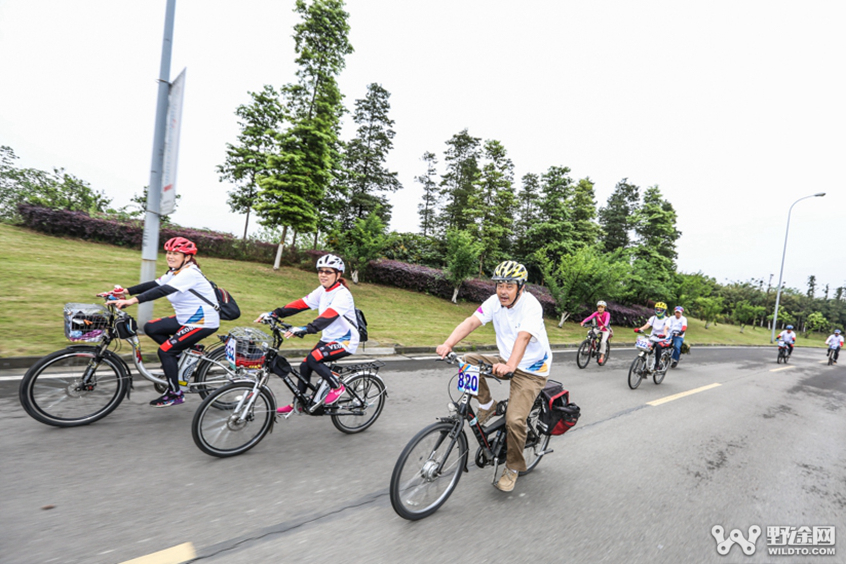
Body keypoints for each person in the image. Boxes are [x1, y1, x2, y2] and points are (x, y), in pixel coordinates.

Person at [436, 260, 552, 493]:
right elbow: (471, 322)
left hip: (531, 370)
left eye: (509, 286)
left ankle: (513, 467)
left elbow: (524, 338)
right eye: (499, 285)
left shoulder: (531, 306)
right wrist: (448, 343)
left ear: (521, 287)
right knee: (468, 360)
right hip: (507, 360)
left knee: (514, 420)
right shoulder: (494, 302)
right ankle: (488, 405)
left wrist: (510, 365)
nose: (502, 290)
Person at [108, 237, 220, 407]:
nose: (170, 256)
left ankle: (175, 393)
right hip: (186, 319)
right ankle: (185, 352)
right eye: (168, 252)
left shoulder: (189, 273)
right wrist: (125, 291)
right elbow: (155, 284)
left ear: (187, 257)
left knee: (165, 351)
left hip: (202, 322)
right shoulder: (175, 272)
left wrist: (132, 301)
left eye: (175, 253)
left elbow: (162, 290)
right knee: (151, 328)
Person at [256, 254, 359, 414]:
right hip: (328, 339)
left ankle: (337, 386)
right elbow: (300, 304)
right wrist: (275, 313)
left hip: (346, 340)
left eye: (328, 272)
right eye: (320, 271)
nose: (323, 275)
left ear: (338, 275)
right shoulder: (322, 291)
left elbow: (327, 317)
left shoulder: (342, 295)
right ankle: (299, 402)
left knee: (313, 359)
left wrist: (305, 329)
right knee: (305, 365)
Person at [634, 302, 672, 371]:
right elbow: (647, 325)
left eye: (661, 310)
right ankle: (645, 365)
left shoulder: (667, 320)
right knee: (647, 348)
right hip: (653, 337)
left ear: (664, 311)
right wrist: (640, 329)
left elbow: (665, 328)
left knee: (658, 347)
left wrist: (664, 334)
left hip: (663, 339)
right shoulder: (653, 318)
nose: (658, 311)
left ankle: (657, 365)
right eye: (657, 309)